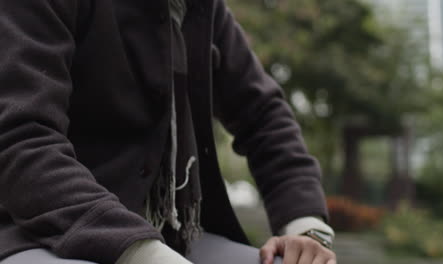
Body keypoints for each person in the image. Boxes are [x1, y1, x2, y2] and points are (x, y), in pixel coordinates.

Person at [0, 0, 336, 264]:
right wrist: (139, 252)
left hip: (169, 237)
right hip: (32, 234)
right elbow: (21, 141)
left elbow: (264, 116)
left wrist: (306, 232)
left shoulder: (199, 7)